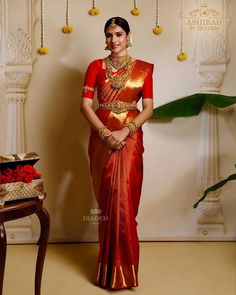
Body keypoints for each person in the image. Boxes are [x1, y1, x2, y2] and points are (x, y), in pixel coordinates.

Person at [80, 16, 154, 290]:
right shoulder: (95, 67)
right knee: (108, 197)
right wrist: (105, 133)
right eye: (109, 35)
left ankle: (126, 271)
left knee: (125, 195)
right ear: (105, 38)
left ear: (128, 36)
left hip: (130, 136)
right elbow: (85, 106)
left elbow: (148, 107)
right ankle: (107, 271)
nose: (114, 40)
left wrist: (126, 131)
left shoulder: (144, 69)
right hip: (101, 136)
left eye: (119, 34)